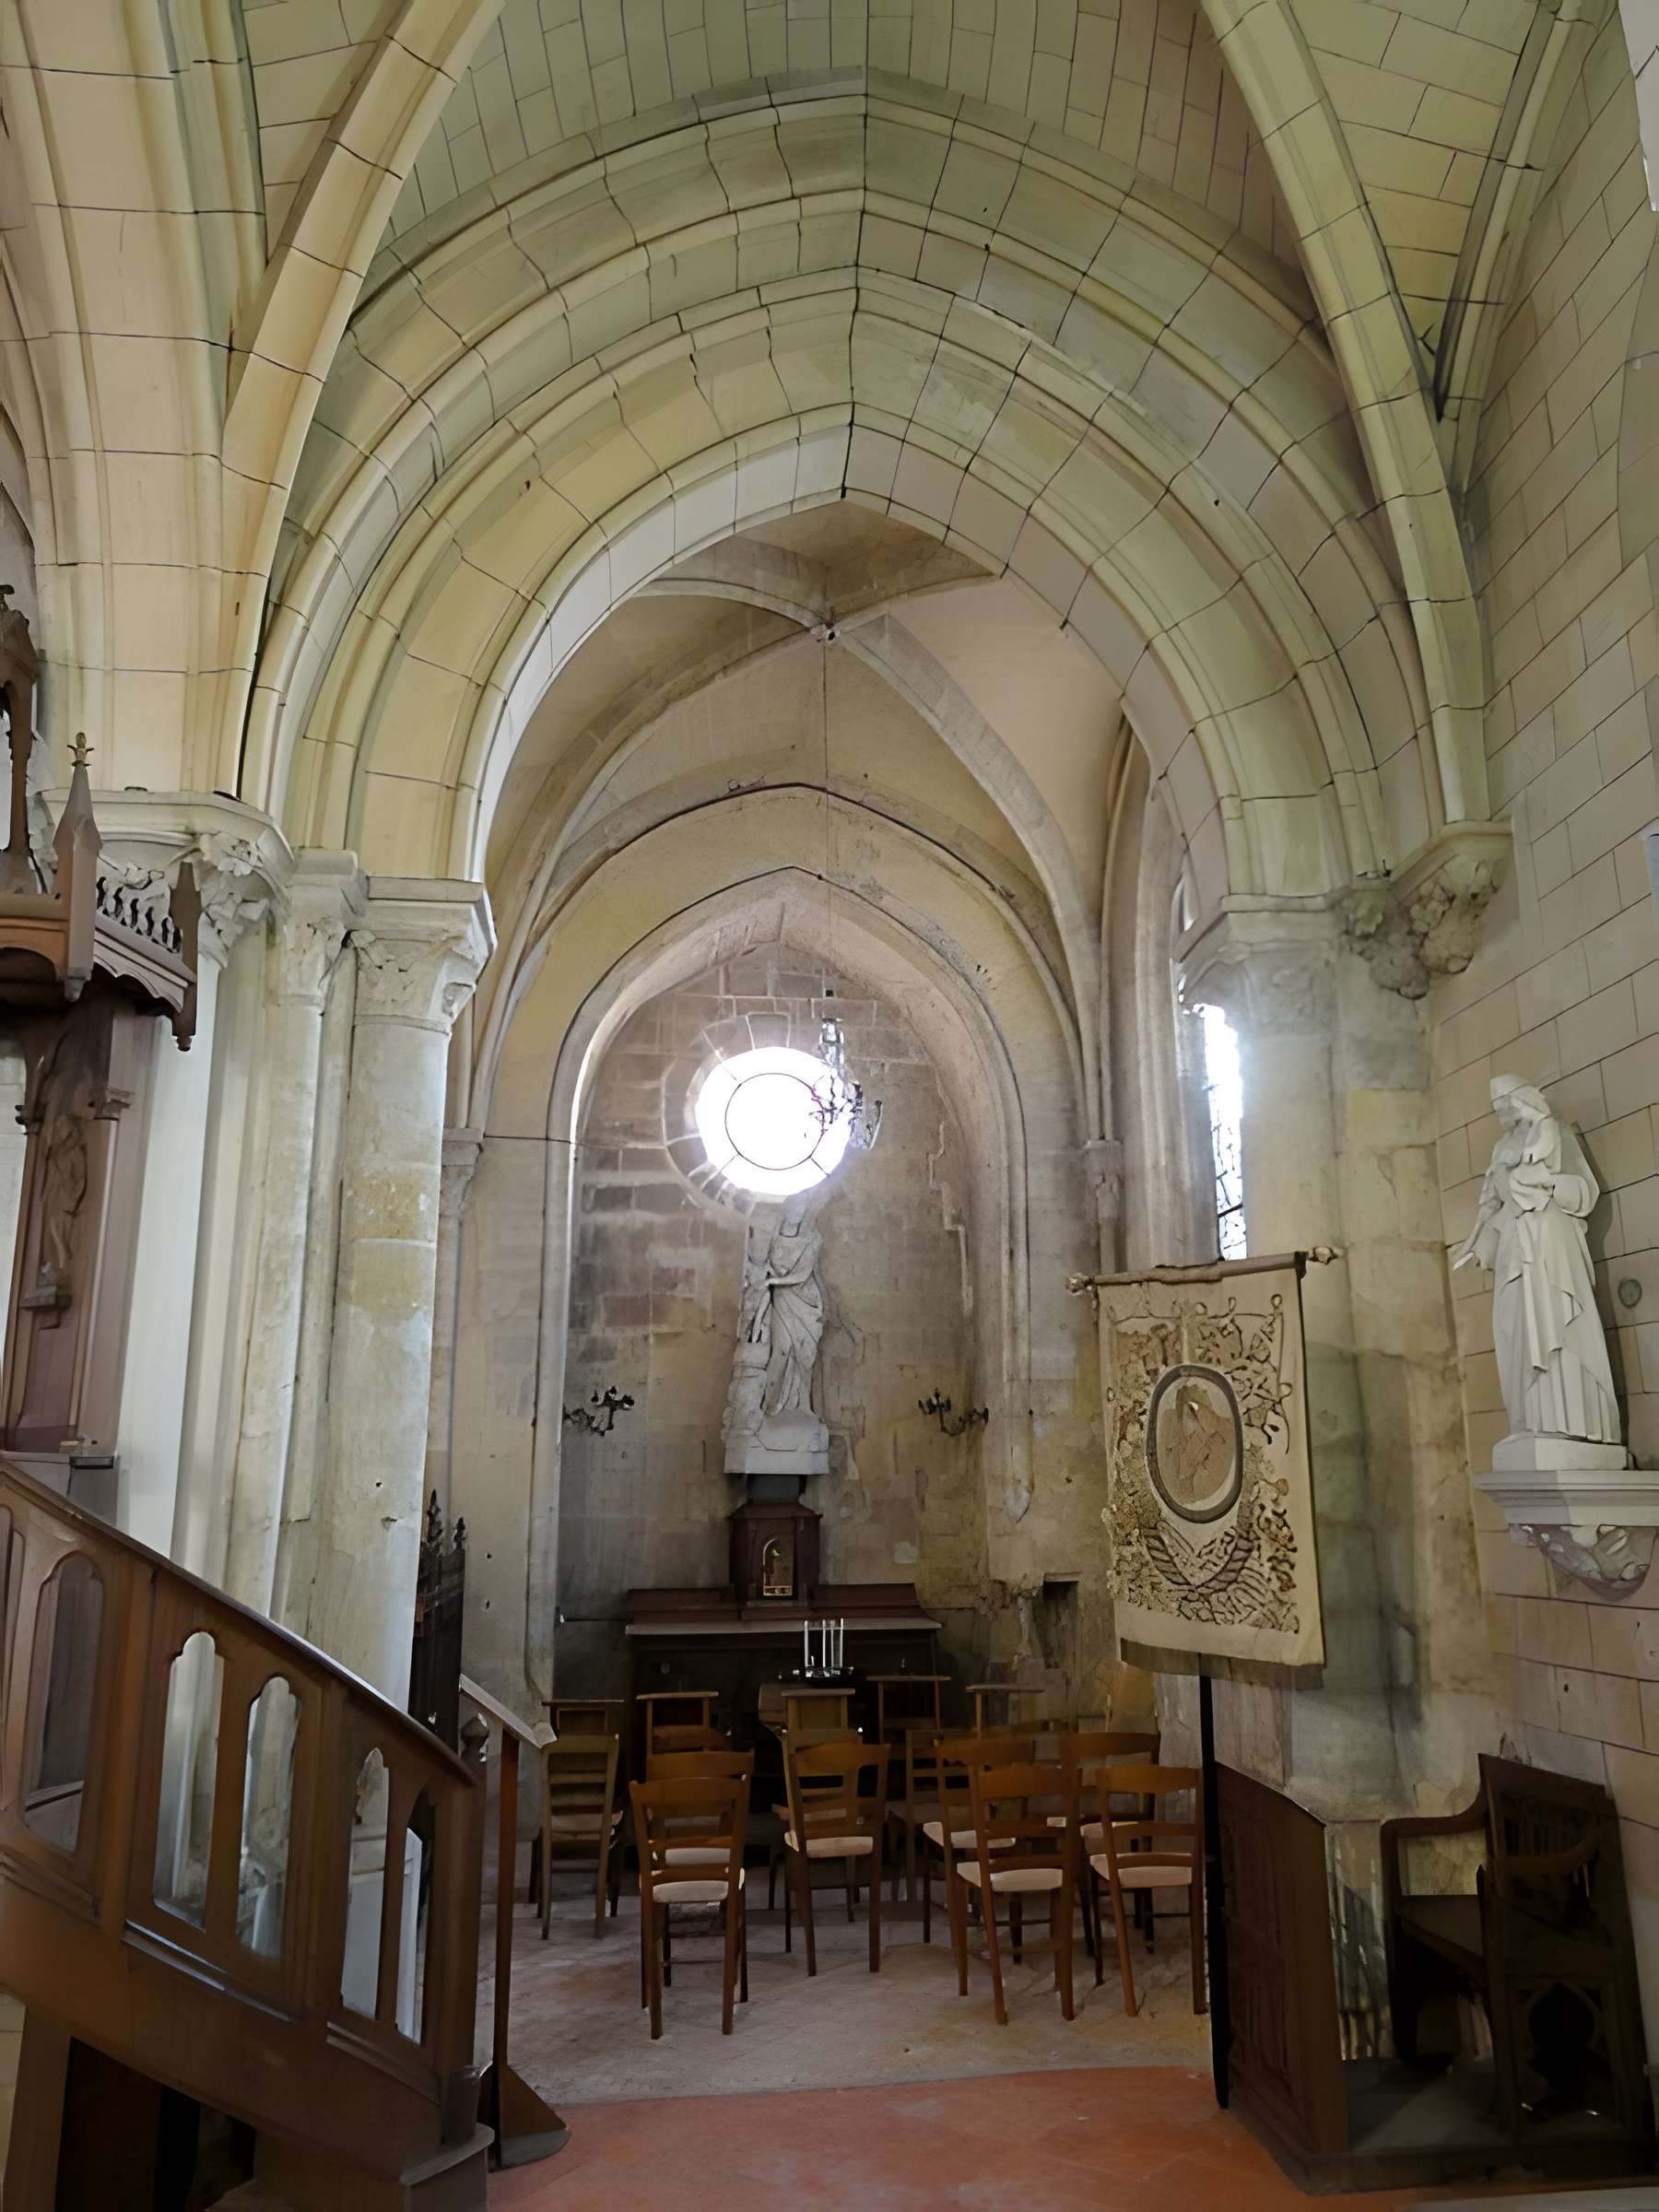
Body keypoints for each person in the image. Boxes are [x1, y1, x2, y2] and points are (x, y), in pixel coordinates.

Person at [1453, 1075, 1618, 1443]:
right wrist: (1480, 1246)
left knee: (1556, 1321)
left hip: (1548, 1241)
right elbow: (1492, 1207)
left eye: (1505, 1100)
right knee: (1515, 1329)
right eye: (1496, 1104)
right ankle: (1531, 1421)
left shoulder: (1555, 1131)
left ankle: (1573, 1423)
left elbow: (1583, 1191)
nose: (1501, 1109)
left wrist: (1548, 1181)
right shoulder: (1500, 1150)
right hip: (1513, 1250)